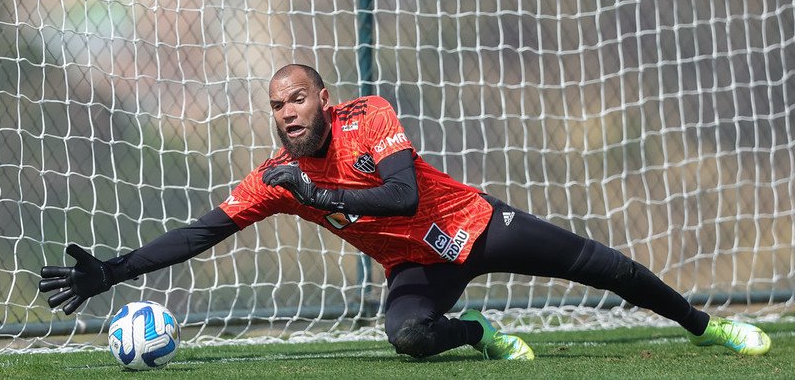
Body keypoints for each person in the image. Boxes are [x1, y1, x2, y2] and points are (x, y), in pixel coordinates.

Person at [39, 63, 772, 360]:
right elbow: (201, 232)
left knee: (602, 266)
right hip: (417, 263)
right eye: (274, 106)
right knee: (409, 338)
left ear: (322, 100)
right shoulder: (274, 177)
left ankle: (706, 325)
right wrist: (115, 269)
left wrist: (319, 194)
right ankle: (476, 330)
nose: (286, 112)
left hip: (473, 225)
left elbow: (401, 195)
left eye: (296, 98)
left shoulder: (368, 117)